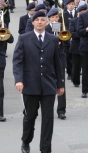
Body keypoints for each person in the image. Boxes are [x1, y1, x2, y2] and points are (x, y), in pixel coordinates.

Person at [13, 11, 65, 153]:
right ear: (33, 22)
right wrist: (19, 80)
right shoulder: (24, 38)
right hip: (30, 84)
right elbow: (17, 61)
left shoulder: (53, 39)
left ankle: (45, 149)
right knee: (30, 116)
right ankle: (26, 140)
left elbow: (57, 63)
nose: (40, 22)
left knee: (48, 119)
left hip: (48, 85)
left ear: (47, 23)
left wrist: (60, 84)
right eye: (37, 20)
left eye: (43, 20)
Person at [46, 8, 67, 119]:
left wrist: (61, 38)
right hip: (48, 60)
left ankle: (61, 110)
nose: (55, 19)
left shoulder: (61, 28)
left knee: (61, 84)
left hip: (60, 59)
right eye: (53, 17)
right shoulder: (46, 29)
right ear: (49, 18)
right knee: (48, 85)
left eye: (56, 17)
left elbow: (67, 40)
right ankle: (48, 109)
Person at [69, 4, 88, 87]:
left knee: (86, 67)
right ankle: (76, 81)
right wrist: (82, 33)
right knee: (76, 65)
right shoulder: (73, 21)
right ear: (78, 13)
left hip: (86, 46)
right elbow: (72, 33)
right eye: (81, 13)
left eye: (84, 12)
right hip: (76, 46)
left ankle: (86, 84)